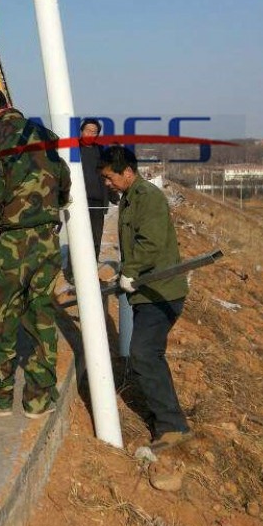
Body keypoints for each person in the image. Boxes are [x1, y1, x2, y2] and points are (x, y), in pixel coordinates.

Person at [0, 86, 71, 418]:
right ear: (8, 105)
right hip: (46, 239)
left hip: (12, 242)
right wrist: (57, 203)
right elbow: (64, 179)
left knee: (2, 316)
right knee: (42, 313)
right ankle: (39, 399)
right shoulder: (45, 133)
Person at [98, 145, 191, 451]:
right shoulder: (130, 198)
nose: (107, 183)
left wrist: (132, 271)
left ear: (127, 172)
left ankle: (172, 427)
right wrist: (125, 272)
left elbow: (149, 243)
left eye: (110, 177)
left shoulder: (147, 197)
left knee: (144, 354)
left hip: (160, 291)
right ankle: (166, 417)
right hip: (147, 292)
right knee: (147, 354)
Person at [78, 118, 110, 259]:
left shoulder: (101, 151)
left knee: (95, 239)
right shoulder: (73, 149)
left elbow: (107, 175)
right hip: (79, 202)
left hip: (97, 202)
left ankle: (92, 274)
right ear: (81, 131)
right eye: (88, 131)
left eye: (94, 132)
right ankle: (75, 273)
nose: (90, 134)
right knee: (79, 238)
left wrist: (114, 197)